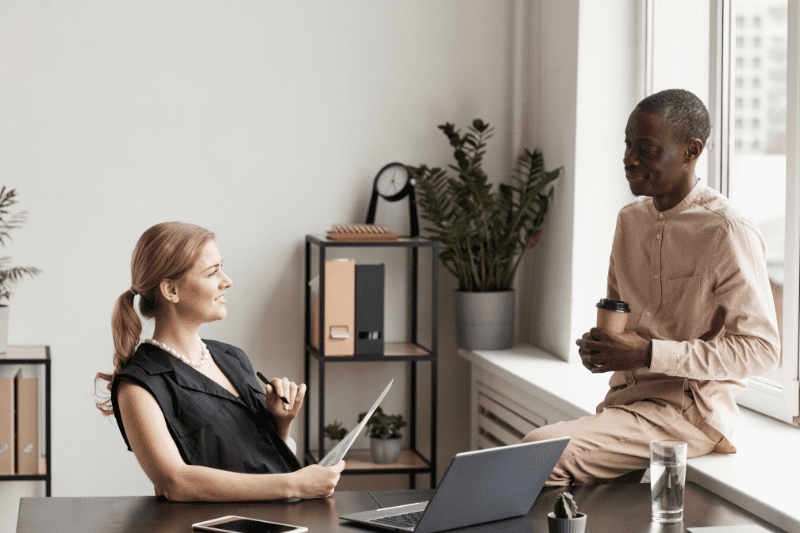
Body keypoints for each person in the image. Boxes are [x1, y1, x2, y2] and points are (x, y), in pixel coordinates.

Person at [522, 89, 780, 485]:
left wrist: (649, 352)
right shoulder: (630, 220)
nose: (628, 158)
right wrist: (601, 350)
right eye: (628, 144)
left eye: (645, 148)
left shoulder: (727, 230)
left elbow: (762, 350)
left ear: (691, 151)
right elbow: (619, 319)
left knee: (537, 454)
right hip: (625, 402)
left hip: (690, 412)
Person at [95, 221, 345, 501]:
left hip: (278, 518)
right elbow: (175, 482)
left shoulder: (232, 357)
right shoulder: (139, 386)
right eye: (213, 272)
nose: (227, 281)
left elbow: (257, 460)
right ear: (171, 291)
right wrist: (296, 484)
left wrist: (281, 422)